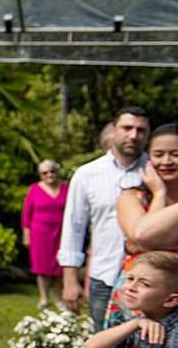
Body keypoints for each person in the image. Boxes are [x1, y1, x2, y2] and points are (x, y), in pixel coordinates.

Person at [59, 106, 150, 330]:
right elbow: (73, 228)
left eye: (141, 130)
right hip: (104, 278)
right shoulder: (87, 174)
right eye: (127, 128)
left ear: (148, 135)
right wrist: (70, 281)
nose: (133, 135)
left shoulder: (158, 172)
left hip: (152, 282)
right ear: (113, 131)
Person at [22, 159, 68, 310]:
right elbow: (27, 214)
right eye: (45, 173)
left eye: (52, 171)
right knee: (42, 266)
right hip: (40, 234)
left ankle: (58, 299)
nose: (49, 175)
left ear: (57, 172)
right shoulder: (34, 189)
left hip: (61, 233)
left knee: (60, 266)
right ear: (40, 175)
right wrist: (26, 234)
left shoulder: (66, 188)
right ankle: (43, 298)